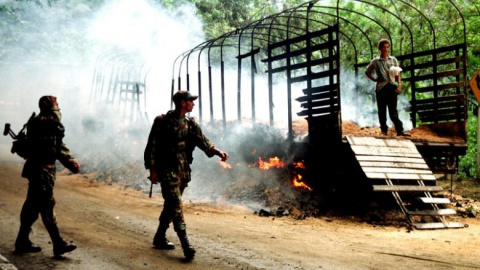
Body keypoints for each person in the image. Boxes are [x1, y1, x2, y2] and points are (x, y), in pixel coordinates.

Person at [144, 90, 229, 260]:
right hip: (166, 169)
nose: (193, 104)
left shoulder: (191, 124)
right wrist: (152, 170)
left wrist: (218, 152)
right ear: (183, 103)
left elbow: (203, 141)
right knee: (176, 205)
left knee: (170, 205)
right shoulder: (162, 121)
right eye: (191, 101)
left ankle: (159, 237)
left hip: (182, 169)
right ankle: (186, 245)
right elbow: (152, 147)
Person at [14, 96, 81, 257]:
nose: (59, 108)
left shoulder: (36, 121)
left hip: (34, 169)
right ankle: (58, 243)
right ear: (51, 107)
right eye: (57, 105)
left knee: (31, 207)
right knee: (46, 205)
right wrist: (71, 162)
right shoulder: (51, 124)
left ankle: (22, 241)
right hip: (43, 172)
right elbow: (56, 148)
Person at [365, 38, 409, 136]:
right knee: (382, 111)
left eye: (387, 47)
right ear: (380, 48)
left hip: (392, 87)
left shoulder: (393, 60)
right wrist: (374, 79)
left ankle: (400, 130)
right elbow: (367, 72)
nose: (385, 49)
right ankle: (384, 131)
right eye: (383, 47)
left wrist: (399, 85)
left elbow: (397, 74)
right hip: (381, 88)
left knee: (393, 111)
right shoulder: (375, 61)